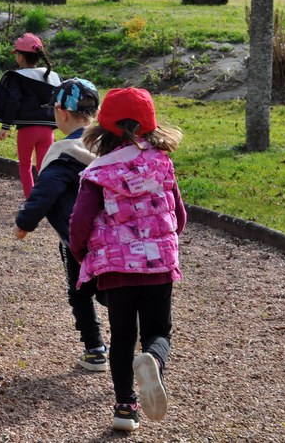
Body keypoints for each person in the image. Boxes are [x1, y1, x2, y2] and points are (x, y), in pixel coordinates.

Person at [69, 87, 186, 433]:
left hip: (116, 270)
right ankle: (152, 359)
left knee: (121, 336)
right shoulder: (162, 163)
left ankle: (124, 408)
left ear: (103, 128)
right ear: (150, 126)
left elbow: (79, 223)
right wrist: (165, 240)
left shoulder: (97, 174)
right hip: (158, 266)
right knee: (158, 331)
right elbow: (178, 216)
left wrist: (83, 256)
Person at [13, 79, 108, 372]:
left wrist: (24, 222)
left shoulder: (64, 152)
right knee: (113, 291)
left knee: (81, 293)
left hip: (78, 237)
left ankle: (95, 350)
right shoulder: (107, 146)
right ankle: (134, 335)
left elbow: (46, 190)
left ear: (61, 112)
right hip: (115, 234)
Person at [0, 33, 62, 198]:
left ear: (21, 57)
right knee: (43, 166)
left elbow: (13, 102)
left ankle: (31, 200)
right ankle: (46, 197)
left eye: (17, 54)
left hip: (27, 130)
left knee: (25, 165)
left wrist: (5, 126)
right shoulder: (52, 76)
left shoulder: (17, 77)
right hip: (48, 130)